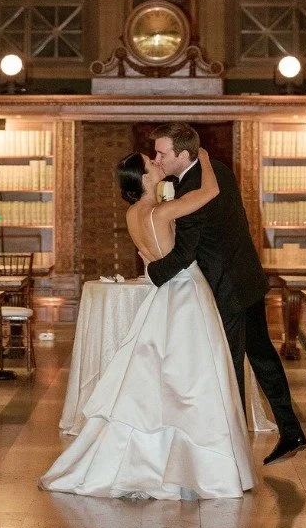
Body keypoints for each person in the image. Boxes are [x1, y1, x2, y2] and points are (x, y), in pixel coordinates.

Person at [40, 147, 254, 499]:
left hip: (162, 296)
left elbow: (149, 256)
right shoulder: (161, 211)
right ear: (143, 178)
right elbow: (210, 193)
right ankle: (201, 468)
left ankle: (162, 459)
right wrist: (203, 156)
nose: (157, 164)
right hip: (187, 293)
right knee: (196, 377)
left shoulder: (132, 215)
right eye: (151, 163)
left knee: (157, 377)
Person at [147, 123, 306, 465]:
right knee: (262, 355)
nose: (157, 158)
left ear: (184, 155)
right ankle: (291, 431)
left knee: (229, 365)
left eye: (162, 153)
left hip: (228, 288)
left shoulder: (195, 190)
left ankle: (230, 454)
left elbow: (184, 253)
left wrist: (150, 273)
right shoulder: (214, 169)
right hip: (246, 277)